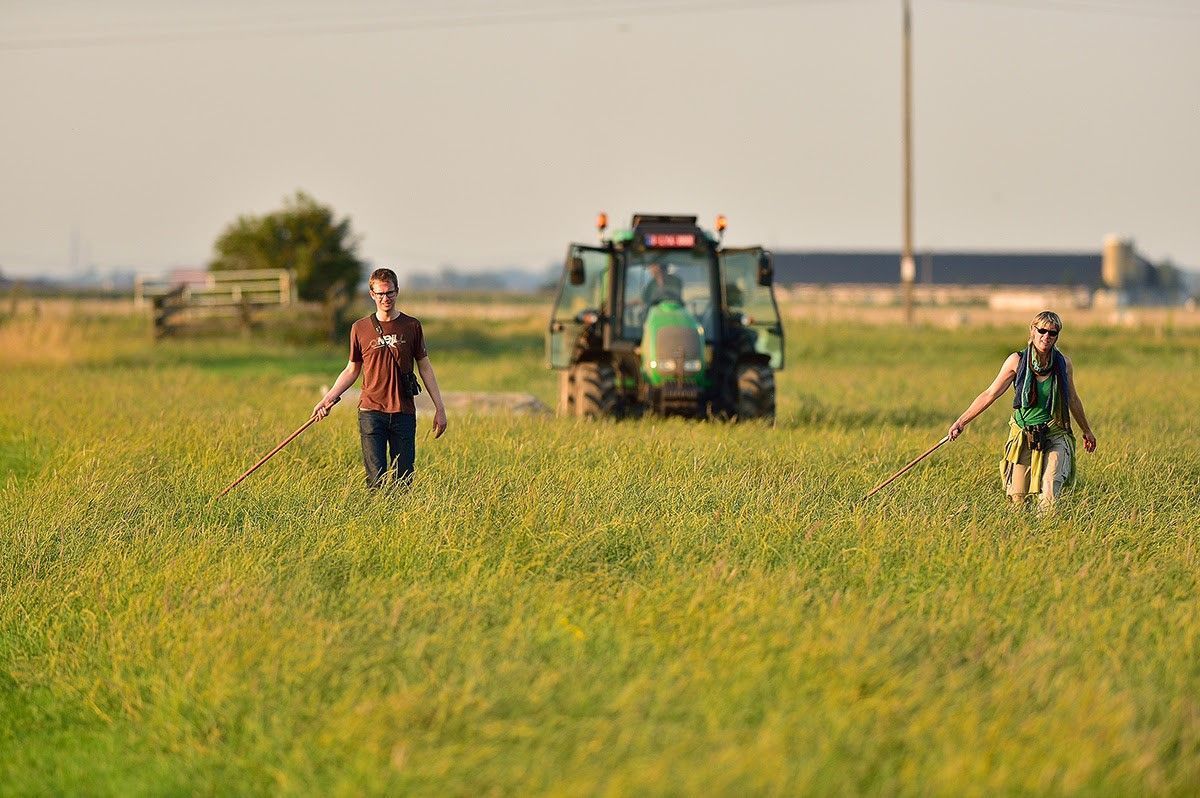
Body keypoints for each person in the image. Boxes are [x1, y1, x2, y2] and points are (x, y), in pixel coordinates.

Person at [948, 310, 1097, 511]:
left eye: (1052, 333)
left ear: (1057, 336)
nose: (1046, 336)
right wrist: (962, 421)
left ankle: (1049, 536)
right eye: (1042, 331)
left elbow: (1072, 399)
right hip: (1023, 433)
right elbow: (990, 393)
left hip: (1055, 432)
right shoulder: (1016, 361)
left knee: (1050, 490)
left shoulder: (1063, 363)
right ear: (1032, 331)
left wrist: (1086, 430)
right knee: (1018, 500)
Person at [313, 268, 447, 488]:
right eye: (381, 294)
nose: (386, 298)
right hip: (371, 412)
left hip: (403, 412)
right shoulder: (360, 328)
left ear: (397, 291)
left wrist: (439, 409)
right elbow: (351, 370)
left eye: (390, 293)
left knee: (403, 480)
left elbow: (425, 367)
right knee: (376, 480)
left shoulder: (412, 326)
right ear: (372, 294)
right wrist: (327, 399)